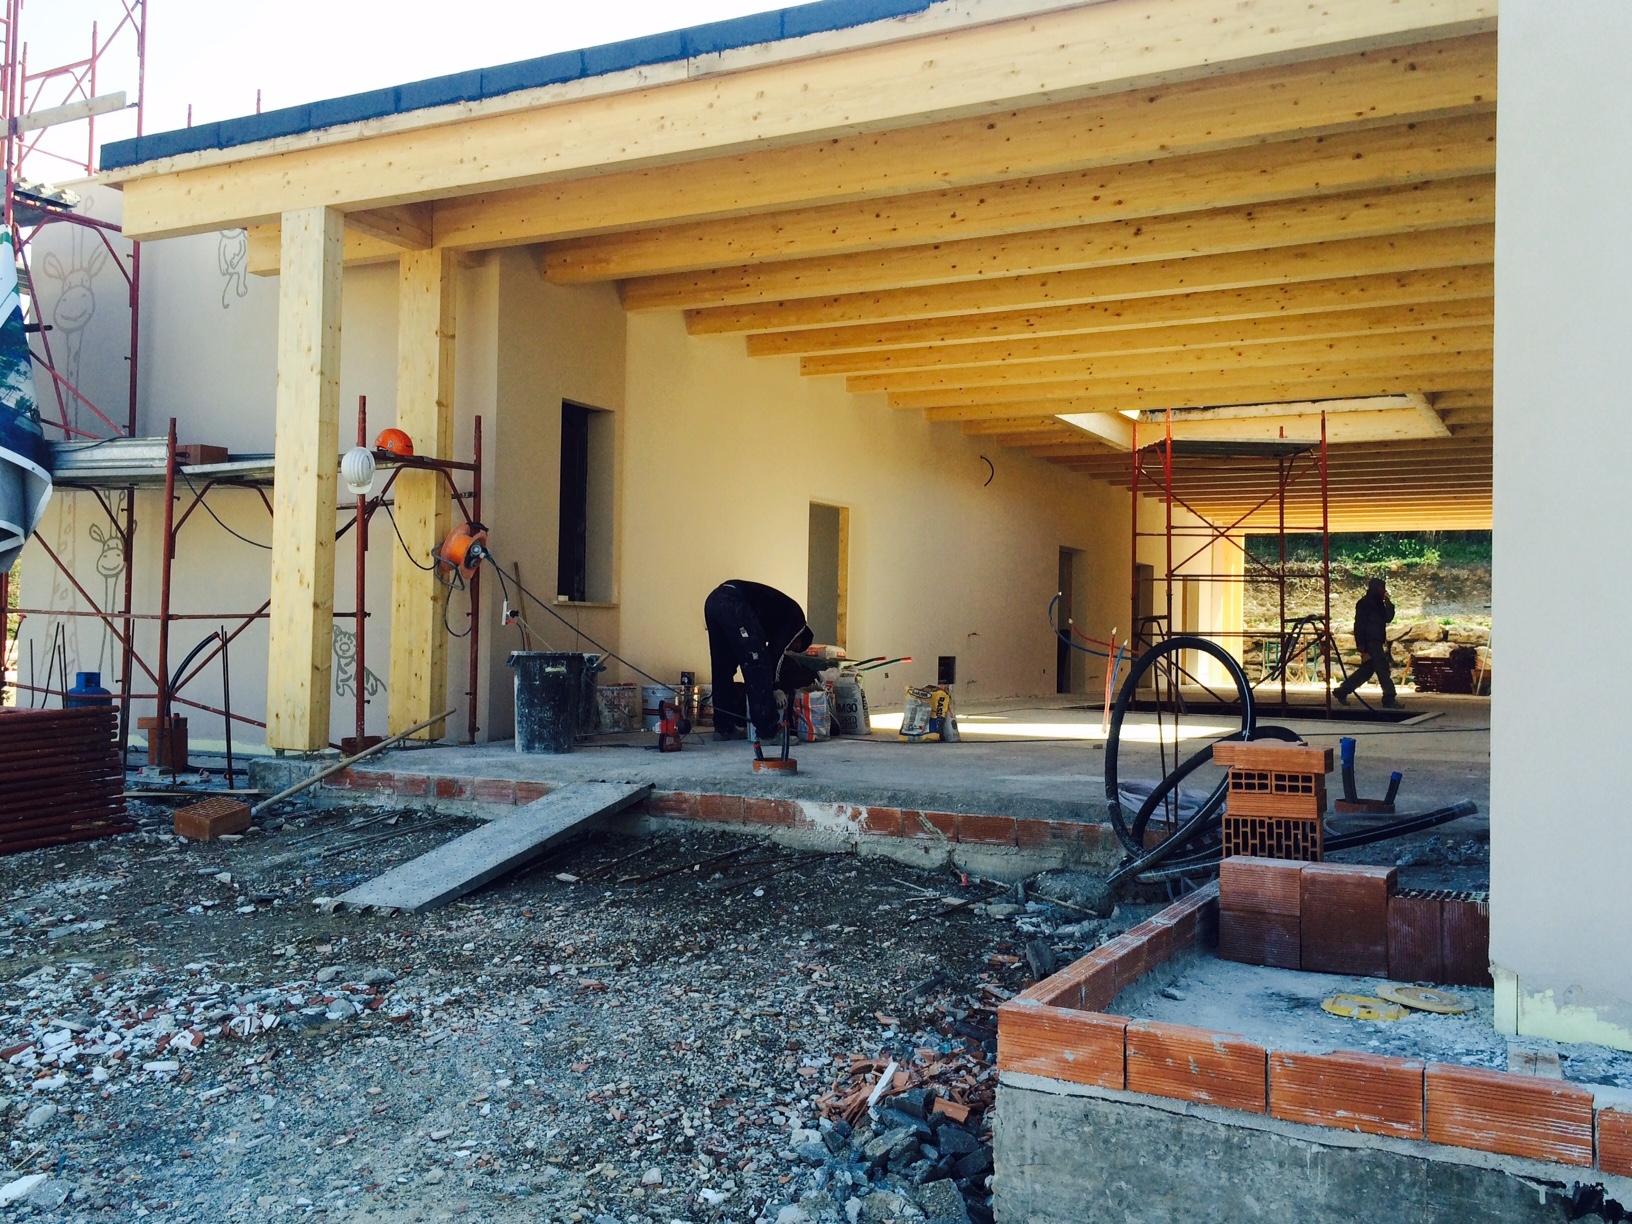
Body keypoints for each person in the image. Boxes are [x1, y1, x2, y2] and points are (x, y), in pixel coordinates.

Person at [704, 580, 819, 741]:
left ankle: (724, 728)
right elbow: (774, 654)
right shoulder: (797, 622)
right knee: (757, 665)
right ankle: (768, 732)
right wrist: (775, 687)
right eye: (794, 647)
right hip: (735, 602)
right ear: (800, 638)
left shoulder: (778, 619)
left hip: (714, 601)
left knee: (722, 668)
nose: (790, 649)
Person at [1335, 577, 1402, 708]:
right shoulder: (1364, 603)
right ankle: (1389, 697)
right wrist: (1361, 644)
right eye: (1382, 588)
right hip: (1370, 641)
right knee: (1383, 669)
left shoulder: (1379, 603)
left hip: (1376, 640)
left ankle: (1342, 691)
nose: (1384, 591)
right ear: (1376, 589)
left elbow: (1387, 618)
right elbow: (1359, 624)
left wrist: (1389, 606)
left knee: (1367, 670)